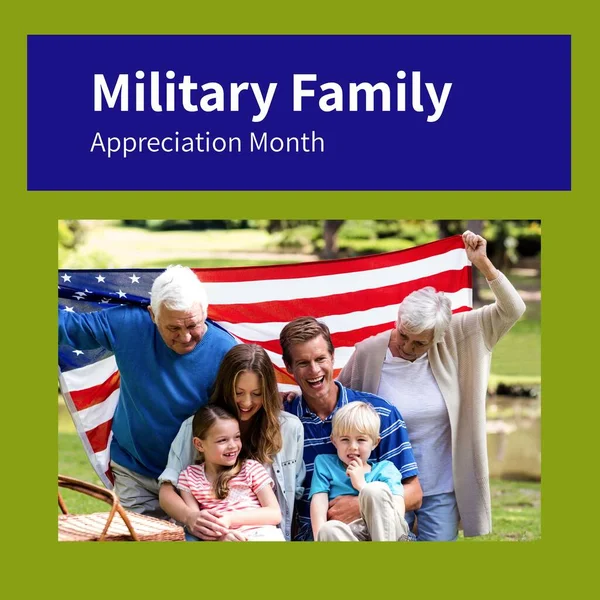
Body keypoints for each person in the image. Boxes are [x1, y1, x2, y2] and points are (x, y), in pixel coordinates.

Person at [338, 230, 526, 540]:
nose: (406, 346)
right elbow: (339, 404)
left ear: (437, 337)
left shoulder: (458, 336)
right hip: (384, 486)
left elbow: (513, 310)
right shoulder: (370, 352)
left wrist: (483, 263)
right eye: (403, 335)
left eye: (419, 343)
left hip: (440, 487)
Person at [58, 264, 236, 517]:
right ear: (153, 315)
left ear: (205, 313)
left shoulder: (226, 351)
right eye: (173, 328)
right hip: (134, 470)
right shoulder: (129, 324)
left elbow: (245, 410)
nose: (185, 337)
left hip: (195, 477)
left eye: (193, 325)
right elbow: (67, 327)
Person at [280, 316, 422, 541]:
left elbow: (414, 493)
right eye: (303, 363)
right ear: (289, 366)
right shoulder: (284, 423)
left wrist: (362, 504)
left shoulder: (380, 413)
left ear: (332, 357)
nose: (314, 370)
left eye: (320, 359)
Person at [159, 343, 305, 541]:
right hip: (209, 535)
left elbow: (289, 502)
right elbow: (167, 490)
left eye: (257, 393)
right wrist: (191, 517)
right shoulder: (195, 426)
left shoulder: (289, 429)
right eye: (238, 392)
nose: (246, 402)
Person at [177, 404, 284, 541]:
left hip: (263, 536)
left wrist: (230, 519)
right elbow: (198, 524)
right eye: (222, 440)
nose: (233, 445)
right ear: (199, 444)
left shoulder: (250, 469)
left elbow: (274, 514)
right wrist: (221, 538)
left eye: (237, 437)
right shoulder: (189, 478)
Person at [310, 402, 411, 542]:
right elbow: (318, 504)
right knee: (328, 529)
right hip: (350, 534)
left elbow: (397, 512)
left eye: (361, 439)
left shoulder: (386, 469)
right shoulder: (325, 464)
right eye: (345, 439)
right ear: (334, 441)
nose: (353, 447)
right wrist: (318, 538)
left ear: (375, 442)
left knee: (374, 489)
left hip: (388, 534)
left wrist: (361, 485)